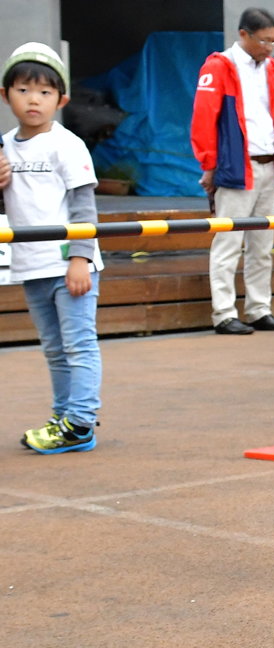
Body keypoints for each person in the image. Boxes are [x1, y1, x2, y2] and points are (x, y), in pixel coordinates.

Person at [1, 43, 104, 453]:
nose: (33, 100)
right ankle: (63, 416)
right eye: (23, 90)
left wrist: (80, 258)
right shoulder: (4, 147)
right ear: (6, 94)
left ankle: (79, 422)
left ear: (60, 100)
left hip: (68, 265)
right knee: (55, 349)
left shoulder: (67, 145)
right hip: (30, 265)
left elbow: (84, 206)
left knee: (79, 345)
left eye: (44, 92)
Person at [190, 7, 274, 336]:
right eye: (265, 40)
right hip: (237, 166)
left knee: (262, 245)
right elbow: (203, 119)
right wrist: (208, 164)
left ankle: (258, 308)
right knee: (228, 242)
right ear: (244, 35)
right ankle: (223, 313)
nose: (269, 47)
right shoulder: (219, 66)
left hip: (269, 163)